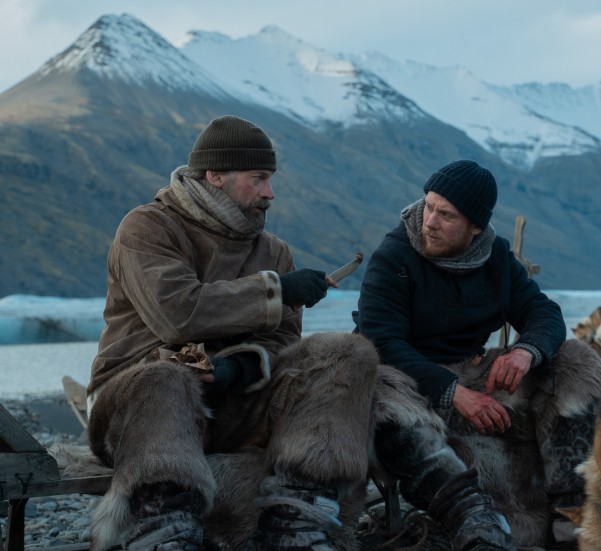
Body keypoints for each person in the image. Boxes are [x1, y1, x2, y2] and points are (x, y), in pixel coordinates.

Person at [86, 116, 514, 551]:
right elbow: (177, 314)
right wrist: (277, 290)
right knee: (166, 378)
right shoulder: (147, 228)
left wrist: (236, 369)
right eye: (259, 179)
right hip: (135, 406)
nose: (269, 193)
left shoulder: (272, 250)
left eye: (270, 180)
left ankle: (299, 524)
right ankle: (164, 536)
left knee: (349, 353)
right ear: (215, 176)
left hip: (230, 404)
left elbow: (282, 346)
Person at [356, 159, 601, 547]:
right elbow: (381, 342)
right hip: (407, 383)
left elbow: (543, 312)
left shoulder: (494, 256)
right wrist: (453, 392)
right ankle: (477, 519)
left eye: (446, 215)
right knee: (385, 384)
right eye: (428, 206)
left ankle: (574, 511)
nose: (429, 221)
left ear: (475, 226)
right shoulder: (394, 256)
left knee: (574, 360)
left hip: (476, 373)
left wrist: (526, 352)